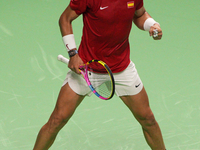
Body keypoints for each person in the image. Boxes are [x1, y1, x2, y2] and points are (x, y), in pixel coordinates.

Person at [33, 0, 166, 149]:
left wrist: (152, 25)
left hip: (121, 69)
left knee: (148, 119)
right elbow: (65, 19)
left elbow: (139, 14)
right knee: (57, 120)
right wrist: (73, 54)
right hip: (86, 69)